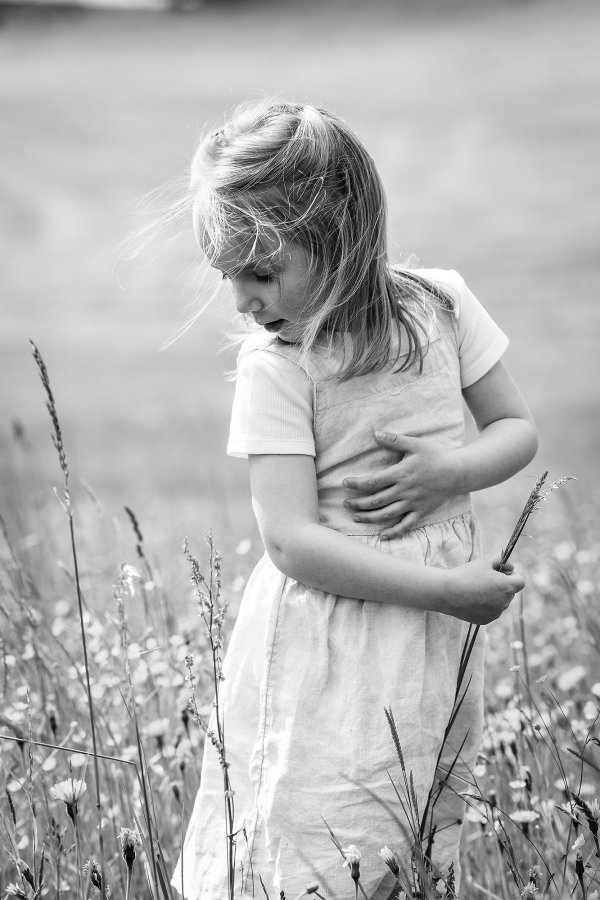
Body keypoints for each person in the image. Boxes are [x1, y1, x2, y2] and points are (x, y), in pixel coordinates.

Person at [171, 99, 537, 899]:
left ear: (339, 239)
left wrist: (454, 471)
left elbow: (514, 428)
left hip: (431, 638)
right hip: (330, 644)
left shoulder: (439, 307)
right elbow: (293, 543)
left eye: (260, 273)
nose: (240, 300)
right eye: (226, 275)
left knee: (411, 833)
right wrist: (447, 590)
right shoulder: (278, 370)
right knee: (317, 832)